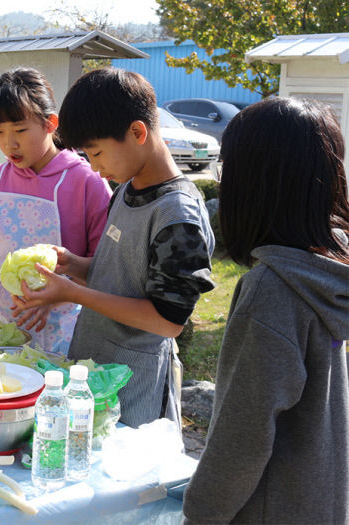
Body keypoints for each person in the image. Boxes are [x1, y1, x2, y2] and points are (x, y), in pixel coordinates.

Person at [13, 68, 215, 427]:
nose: (95, 168)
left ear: (137, 132)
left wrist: (75, 294)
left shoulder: (177, 216)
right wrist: (74, 264)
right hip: (92, 373)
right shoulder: (125, 190)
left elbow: (167, 320)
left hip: (135, 388)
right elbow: (122, 274)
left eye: (98, 153)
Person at [182, 98, 349, 523]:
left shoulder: (273, 290)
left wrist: (199, 514)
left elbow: (242, 437)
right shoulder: (330, 267)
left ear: (255, 182)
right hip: (321, 498)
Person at [0, 67, 112, 356]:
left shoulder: (87, 183)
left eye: (19, 130)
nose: (9, 143)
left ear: (50, 124)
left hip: (70, 335)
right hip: (6, 334)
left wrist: (55, 295)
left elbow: (105, 270)